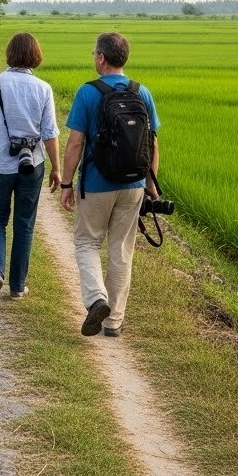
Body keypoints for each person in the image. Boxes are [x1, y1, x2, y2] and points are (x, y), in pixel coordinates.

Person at [59, 32, 160, 337]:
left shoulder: (88, 93)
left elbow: (76, 143)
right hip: (134, 184)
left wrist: (66, 183)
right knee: (121, 249)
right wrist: (150, 185)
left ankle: (96, 298)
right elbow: (152, 143)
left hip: (97, 183)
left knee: (87, 242)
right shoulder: (142, 93)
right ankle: (114, 321)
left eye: (95, 54)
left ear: (101, 58)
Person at [0, 32, 60, 302]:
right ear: (35, 56)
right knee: (24, 224)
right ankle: (18, 286)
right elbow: (50, 133)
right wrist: (57, 168)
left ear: (9, 54)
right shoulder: (43, 88)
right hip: (32, 165)